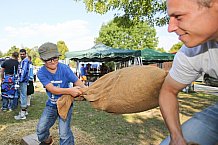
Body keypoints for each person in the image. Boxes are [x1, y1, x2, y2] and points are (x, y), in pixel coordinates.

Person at [159, 0, 218, 145]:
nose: (170, 28)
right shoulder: (192, 52)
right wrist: (176, 137)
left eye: (178, 17)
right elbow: (168, 91)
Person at [36, 42, 86, 145]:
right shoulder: (41, 73)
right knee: (41, 130)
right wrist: (70, 91)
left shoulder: (64, 68)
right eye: (49, 59)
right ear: (42, 59)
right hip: (52, 105)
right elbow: (53, 89)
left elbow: (77, 81)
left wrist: (86, 90)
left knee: (64, 133)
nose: (53, 61)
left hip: (65, 104)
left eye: (55, 58)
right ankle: (48, 141)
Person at [14, 49, 30, 120]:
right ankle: (25, 111)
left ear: (26, 54)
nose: (22, 55)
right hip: (23, 80)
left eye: (23, 54)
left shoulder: (25, 61)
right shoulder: (23, 61)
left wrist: (19, 80)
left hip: (23, 81)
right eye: (21, 54)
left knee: (23, 96)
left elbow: (23, 71)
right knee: (24, 95)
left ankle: (22, 114)